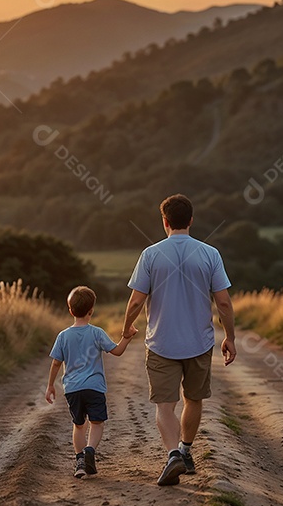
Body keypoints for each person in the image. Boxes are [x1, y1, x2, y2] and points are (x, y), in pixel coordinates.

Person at [122, 194, 236, 486]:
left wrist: (126, 328)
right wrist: (231, 338)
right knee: (194, 398)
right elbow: (223, 303)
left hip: (161, 343)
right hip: (199, 342)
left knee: (164, 404)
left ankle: (172, 453)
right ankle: (185, 451)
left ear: (164, 222)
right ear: (191, 220)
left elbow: (136, 302)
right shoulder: (210, 253)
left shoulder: (150, 254)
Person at [46, 286, 136, 478]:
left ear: (70, 311)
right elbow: (117, 351)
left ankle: (79, 461)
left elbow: (55, 363)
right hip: (94, 387)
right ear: (91, 310)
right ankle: (90, 450)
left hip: (72, 389)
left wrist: (50, 385)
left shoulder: (63, 336)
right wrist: (126, 337)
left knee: (79, 425)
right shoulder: (97, 333)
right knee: (97, 422)